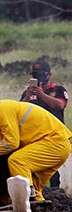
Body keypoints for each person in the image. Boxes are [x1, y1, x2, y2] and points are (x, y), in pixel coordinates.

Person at [0, 87, 72, 202]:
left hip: (54, 142)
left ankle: (28, 199)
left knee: (17, 161)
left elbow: (11, 143)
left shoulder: (2, 109)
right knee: (35, 188)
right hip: (55, 144)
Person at [19, 58, 68, 187]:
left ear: (49, 75)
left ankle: (57, 191)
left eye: (40, 74)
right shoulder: (27, 93)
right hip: (36, 137)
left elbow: (60, 105)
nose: (38, 77)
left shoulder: (58, 90)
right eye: (35, 75)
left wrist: (41, 94)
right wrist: (27, 97)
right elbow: (18, 112)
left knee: (57, 170)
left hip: (56, 137)